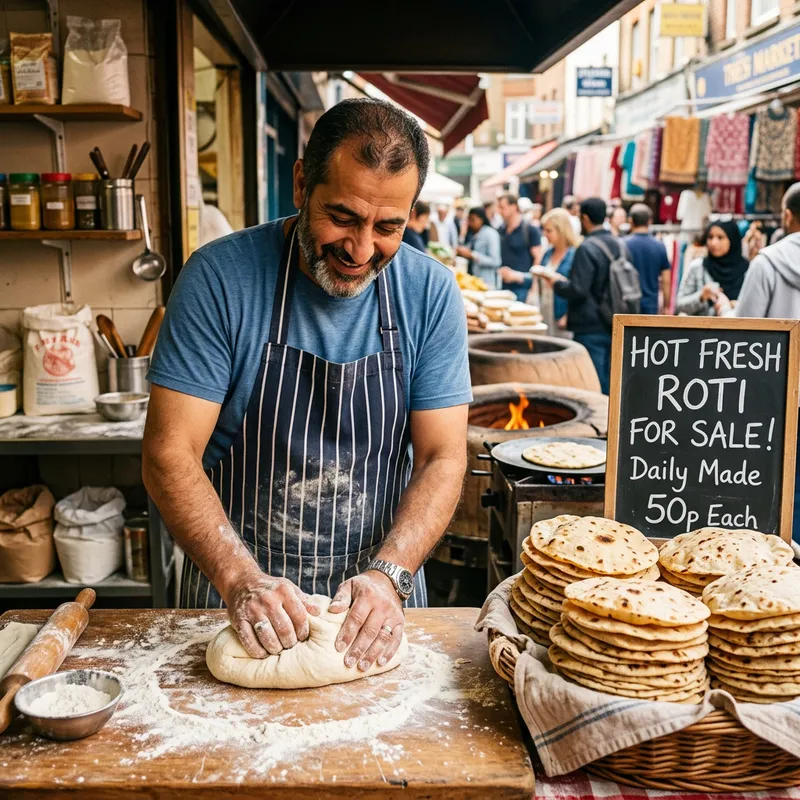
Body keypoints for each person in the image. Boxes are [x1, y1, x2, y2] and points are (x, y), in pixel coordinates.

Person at [142, 98, 471, 671]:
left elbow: (443, 457)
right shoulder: (220, 279)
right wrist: (240, 578)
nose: (361, 249)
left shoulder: (431, 293)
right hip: (234, 594)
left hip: (378, 603)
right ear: (301, 183)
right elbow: (169, 452)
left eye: (388, 227)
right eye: (342, 217)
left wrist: (390, 575)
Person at [731, 182, 800, 544]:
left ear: (787, 215)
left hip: (774, 400)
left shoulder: (768, 263)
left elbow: (744, 335)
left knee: (778, 491)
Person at [539, 197, 625, 394]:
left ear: (585, 218)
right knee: (610, 377)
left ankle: (599, 421)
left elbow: (578, 289)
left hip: (590, 323)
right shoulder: (619, 244)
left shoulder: (587, 248)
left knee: (592, 380)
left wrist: (556, 283)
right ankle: (608, 420)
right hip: (614, 319)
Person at [500, 208, 578, 329]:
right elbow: (538, 278)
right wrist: (517, 276)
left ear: (561, 230)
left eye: (549, 231)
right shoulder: (548, 253)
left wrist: (567, 315)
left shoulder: (574, 256)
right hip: (545, 309)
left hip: (560, 315)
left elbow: (578, 289)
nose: (544, 234)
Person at [676, 220, 749, 317]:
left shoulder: (747, 270)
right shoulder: (697, 267)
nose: (714, 243)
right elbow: (679, 305)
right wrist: (701, 296)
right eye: (710, 237)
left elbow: (755, 306)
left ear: (732, 239)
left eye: (720, 237)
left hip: (737, 330)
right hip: (701, 330)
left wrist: (733, 305)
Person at [623, 203, 671, 315]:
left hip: (627, 305)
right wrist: (666, 306)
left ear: (631, 221)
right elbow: (666, 280)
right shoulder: (659, 246)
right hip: (650, 306)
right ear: (649, 221)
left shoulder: (622, 244)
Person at [496, 193, 542, 300]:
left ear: (514, 207)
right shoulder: (500, 230)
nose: (500, 211)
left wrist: (532, 285)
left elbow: (538, 259)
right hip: (503, 286)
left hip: (522, 287)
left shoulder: (530, 230)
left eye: (502, 207)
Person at [456, 207, 502, 287]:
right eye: (469, 220)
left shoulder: (490, 234)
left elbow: (495, 261)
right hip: (474, 282)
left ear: (481, 219)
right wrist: (462, 236)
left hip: (488, 283)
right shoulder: (473, 234)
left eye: (473, 220)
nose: (470, 223)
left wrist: (473, 255)